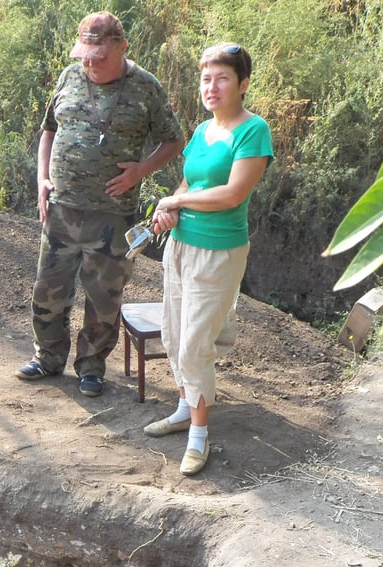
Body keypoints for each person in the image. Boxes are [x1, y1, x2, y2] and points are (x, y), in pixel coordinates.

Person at [15, 11, 184, 397]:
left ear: (121, 47)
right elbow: (48, 131)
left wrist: (140, 170)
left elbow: (174, 140)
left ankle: (91, 367)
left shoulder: (145, 87)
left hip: (112, 215)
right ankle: (47, 358)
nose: (90, 64)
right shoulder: (68, 77)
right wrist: (42, 178)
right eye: (85, 56)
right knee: (49, 288)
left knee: (103, 296)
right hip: (61, 209)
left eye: (99, 57)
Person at [145, 43, 274, 475]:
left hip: (219, 251)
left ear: (243, 84)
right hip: (180, 244)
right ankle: (185, 409)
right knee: (174, 334)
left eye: (222, 78)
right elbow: (189, 183)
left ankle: (199, 437)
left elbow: (233, 194)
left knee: (196, 344)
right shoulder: (202, 130)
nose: (211, 87)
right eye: (206, 79)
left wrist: (176, 200)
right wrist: (169, 209)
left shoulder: (253, 131)